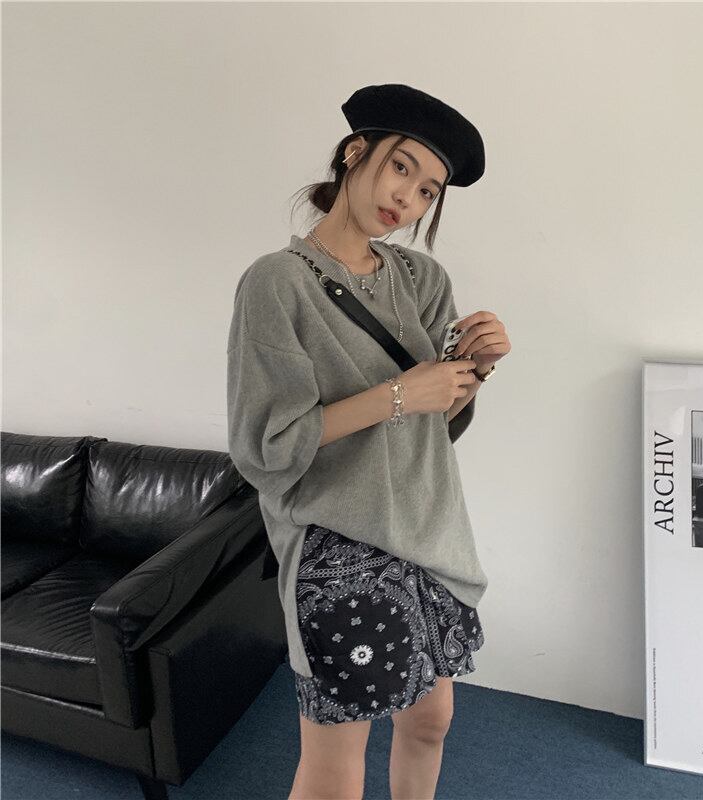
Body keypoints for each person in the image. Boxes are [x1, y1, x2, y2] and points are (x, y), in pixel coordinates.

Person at [226, 83, 511, 800]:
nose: (408, 198)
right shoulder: (277, 283)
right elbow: (266, 447)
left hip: (429, 528)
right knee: (336, 756)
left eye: (428, 190)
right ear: (356, 152)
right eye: (401, 168)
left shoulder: (423, 279)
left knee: (431, 719)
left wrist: (473, 371)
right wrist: (400, 394)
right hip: (339, 537)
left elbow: (437, 422)